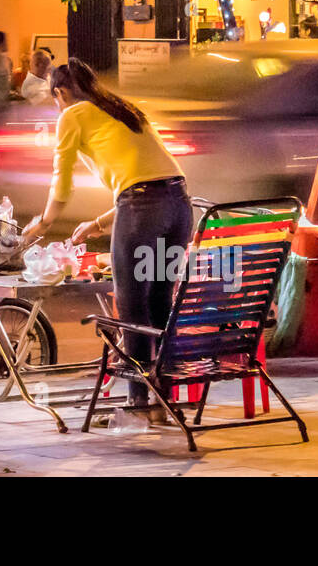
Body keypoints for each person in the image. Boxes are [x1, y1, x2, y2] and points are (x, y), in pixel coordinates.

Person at [21, 57, 190, 411]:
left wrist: (44, 222)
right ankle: (165, 395)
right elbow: (152, 184)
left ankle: (139, 400)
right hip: (179, 207)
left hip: (144, 208)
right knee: (159, 298)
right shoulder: (125, 109)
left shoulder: (72, 114)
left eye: (55, 99)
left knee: (132, 303)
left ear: (60, 92)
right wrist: (98, 224)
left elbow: (61, 179)